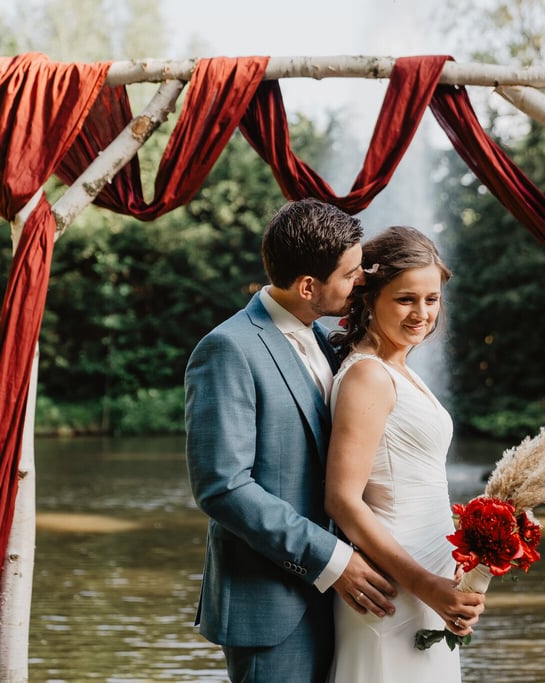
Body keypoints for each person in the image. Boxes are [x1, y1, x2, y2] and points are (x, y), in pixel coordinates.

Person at [185, 199, 398, 683]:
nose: (360, 280)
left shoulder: (325, 339)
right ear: (308, 286)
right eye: (350, 273)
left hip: (345, 601)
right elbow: (223, 488)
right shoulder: (227, 349)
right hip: (272, 605)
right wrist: (332, 559)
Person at [324, 226, 485, 682]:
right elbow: (342, 500)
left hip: (431, 582)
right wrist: (425, 585)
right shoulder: (368, 376)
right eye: (405, 299)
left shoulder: (398, 368)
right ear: (369, 297)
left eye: (432, 299)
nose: (422, 313)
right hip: (394, 587)